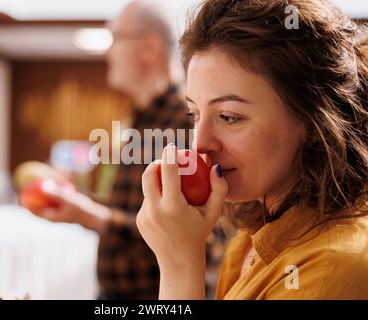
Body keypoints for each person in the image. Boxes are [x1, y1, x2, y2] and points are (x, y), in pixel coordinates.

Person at [136, 0, 368, 299]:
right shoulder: (254, 233)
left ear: (313, 123)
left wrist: (179, 265)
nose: (200, 143)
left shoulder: (330, 269)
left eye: (230, 117)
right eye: (194, 115)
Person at [29, 1, 195, 299]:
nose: (108, 52)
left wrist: (88, 214)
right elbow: (132, 211)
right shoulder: (144, 118)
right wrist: (78, 202)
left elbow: (183, 231)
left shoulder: (187, 120)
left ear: (149, 47)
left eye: (115, 39)